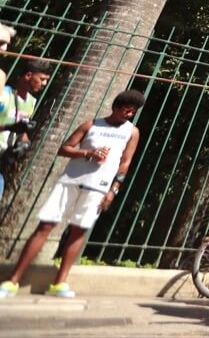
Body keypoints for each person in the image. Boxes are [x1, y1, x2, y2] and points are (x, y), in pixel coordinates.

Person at [0, 90, 144, 298]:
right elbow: (64, 148)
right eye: (126, 109)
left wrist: (113, 190)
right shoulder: (91, 124)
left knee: (79, 231)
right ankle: (13, 280)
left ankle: (59, 284)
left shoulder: (132, 132)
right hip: (69, 181)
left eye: (133, 112)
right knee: (45, 226)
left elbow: (125, 163)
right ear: (116, 106)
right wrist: (87, 153)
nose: (128, 114)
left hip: (99, 187)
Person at [0, 59, 51, 201]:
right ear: (28, 75)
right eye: (42, 79)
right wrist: (9, 127)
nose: (44, 84)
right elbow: (13, 127)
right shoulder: (3, 95)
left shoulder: (31, 102)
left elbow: (22, 132)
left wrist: (24, 144)